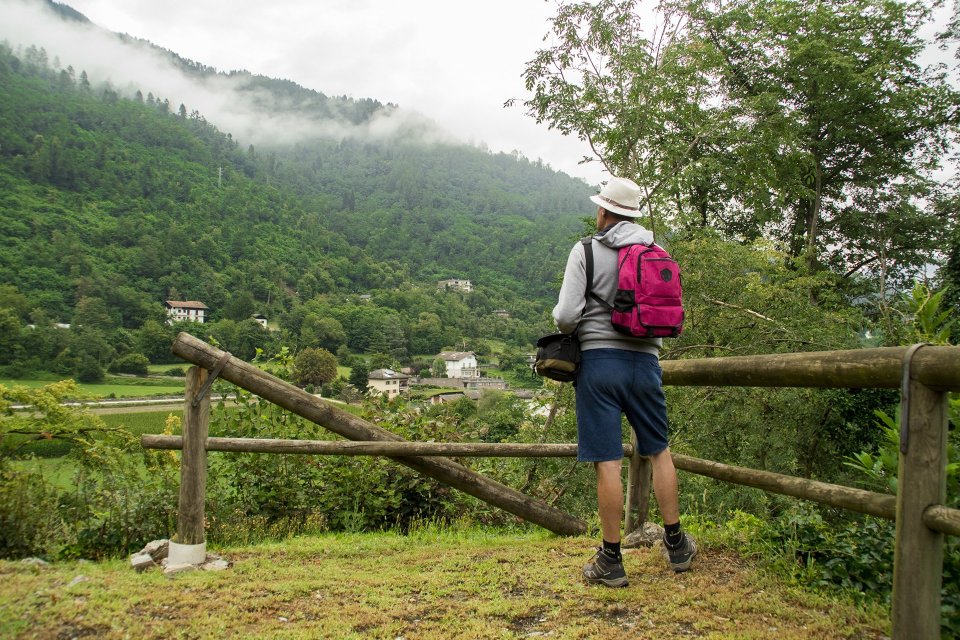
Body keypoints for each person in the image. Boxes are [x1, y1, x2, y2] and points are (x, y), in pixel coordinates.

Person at [552, 176, 696, 587]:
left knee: (608, 460)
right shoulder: (657, 252)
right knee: (659, 451)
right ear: (633, 215)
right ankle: (677, 544)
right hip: (646, 364)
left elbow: (566, 316)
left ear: (603, 210)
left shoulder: (585, 250)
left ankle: (611, 560)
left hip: (600, 365)